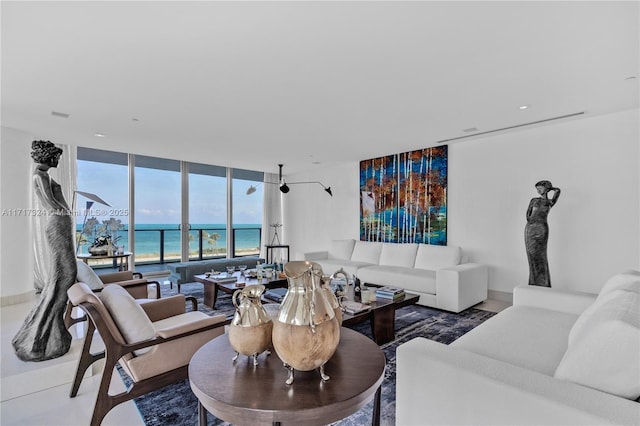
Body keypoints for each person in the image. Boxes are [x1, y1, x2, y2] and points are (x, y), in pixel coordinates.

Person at [12, 140, 77, 361]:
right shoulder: (39, 175)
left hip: (60, 223)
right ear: (46, 155)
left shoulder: (43, 174)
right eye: (55, 156)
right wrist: (65, 212)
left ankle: (43, 332)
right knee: (65, 275)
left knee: (61, 277)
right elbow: (51, 204)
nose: (57, 160)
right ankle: (39, 337)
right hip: (57, 224)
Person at [525, 180, 561, 287]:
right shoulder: (533, 200)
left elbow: (558, 191)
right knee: (531, 256)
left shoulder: (550, 202)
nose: (538, 190)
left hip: (542, 230)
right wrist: (532, 223)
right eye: (537, 188)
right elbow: (528, 216)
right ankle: (533, 283)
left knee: (541, 256)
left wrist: (551, 188)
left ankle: (544, 284)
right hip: (530, 230)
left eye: (540, 187)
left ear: (546, 188)